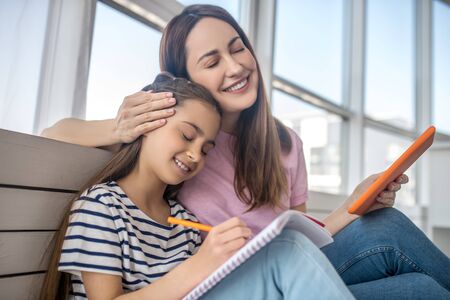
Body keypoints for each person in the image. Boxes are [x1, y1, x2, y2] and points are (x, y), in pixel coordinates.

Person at [42, 4, 450, 299]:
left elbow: (304, 231)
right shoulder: (169, 135)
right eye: (212, 60)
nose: (236, 66)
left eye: (238, 48)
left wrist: (356, 204)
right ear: (185, 81)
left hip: (287, 265)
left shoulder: (285, 142)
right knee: (408, 275)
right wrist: (119, 126)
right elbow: (55, 132)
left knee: (390, 234)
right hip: (233, 282)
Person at [40, 73, 354, 300]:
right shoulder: (101, 205)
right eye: (188, 136)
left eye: (206, 149)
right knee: (288, 251)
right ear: (149, 123)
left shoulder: (183, 219)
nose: (194, 155)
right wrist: (201, 264)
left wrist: (217, 261)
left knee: (286, 254)